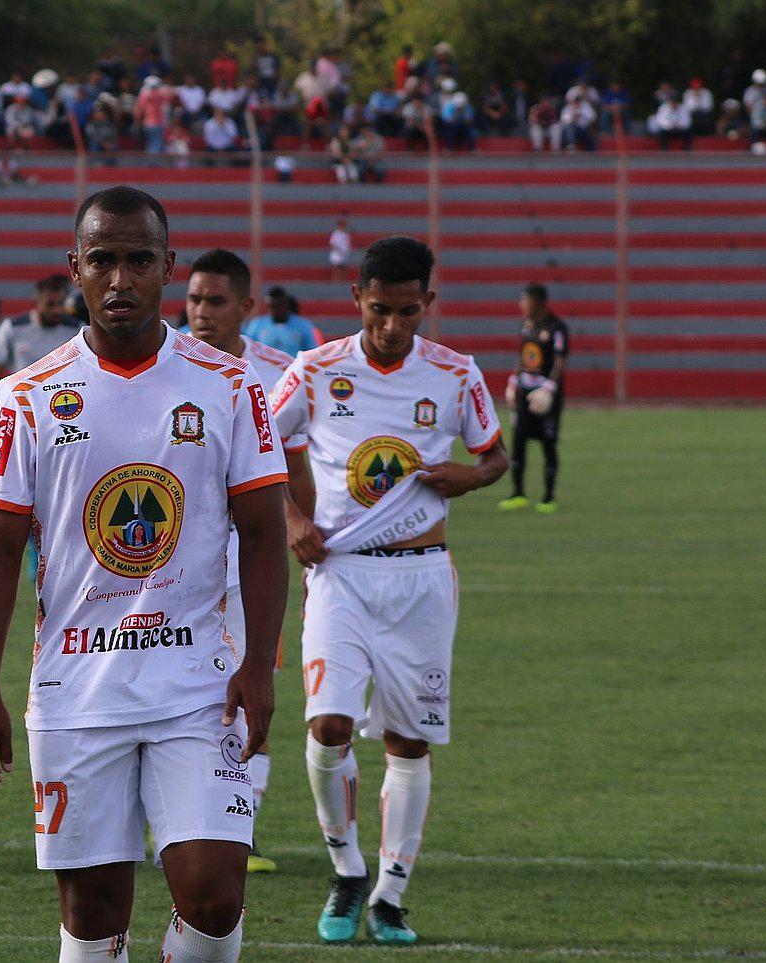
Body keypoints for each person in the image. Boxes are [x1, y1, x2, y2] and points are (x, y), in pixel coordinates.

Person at [0, 186, 289, 962]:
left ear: (168, 267)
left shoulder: (231, 386)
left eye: (139, 259)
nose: (121, 278)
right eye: (102, 259)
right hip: (78, 688)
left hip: (197, 683)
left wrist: (259, 663)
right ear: (74, 267)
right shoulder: (28, 395)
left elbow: (265, 532)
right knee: (91, 911)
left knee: (214, 898)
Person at [270, 235, 508, 946]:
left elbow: (495, 454)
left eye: (409, 311)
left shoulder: (455, 373)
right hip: (340, 574)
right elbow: (252, 441)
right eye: (380, 311)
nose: (393, 327)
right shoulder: (315, 370)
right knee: (329, 725)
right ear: (357, 300)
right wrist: (290, 518)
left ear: (428, 303)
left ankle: (390, 895)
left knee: (408, 741)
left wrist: (472, 475)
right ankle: (346, 870)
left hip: (423, 576)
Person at [184, 249, 315, 875]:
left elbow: (295, 468)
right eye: (194, 301)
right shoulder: (168, 363)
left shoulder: (279, 372)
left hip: (252, 560)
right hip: (175, 560)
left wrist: (303, 534)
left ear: (247, 308)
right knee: (179, 689)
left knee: (247, 681)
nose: (202, 314)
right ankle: (181, 824)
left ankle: (239, 828)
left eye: (215, 302)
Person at [499, 283, 569, 513]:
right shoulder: (526, 327)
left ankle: (548, 497)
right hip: (525, 393)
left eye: (524, 300)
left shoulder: (556, 327)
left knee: (548, 443)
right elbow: (522, 357)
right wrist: (513, 380)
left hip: (546, 396)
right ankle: (518, 493)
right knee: (518, 441)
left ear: (538, 302)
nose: (521, 305)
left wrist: (549, 388)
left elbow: (559, 361)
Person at [0, 274, 75, 380]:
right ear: (36, 303)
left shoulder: (76, 329)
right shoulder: (13, 327)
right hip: (23, 393)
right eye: (50, 304)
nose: (57, 310)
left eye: (61, 303)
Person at [244, 285, 320, 356]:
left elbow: (311, 352)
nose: (274, 310)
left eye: (277, 306)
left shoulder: (303, 325)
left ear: (286, 305)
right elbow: (247, 349)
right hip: (264, 368)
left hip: (292, 368)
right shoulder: (257, 324)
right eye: (270, 306)